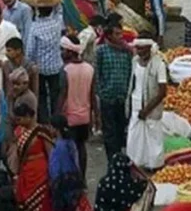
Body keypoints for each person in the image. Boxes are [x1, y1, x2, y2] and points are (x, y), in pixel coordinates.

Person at [10, 101, 54, 211]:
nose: (19, 122)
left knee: (40, 208)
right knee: (27, 209)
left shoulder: (41, 132)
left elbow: (50, 153)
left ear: (29, 116)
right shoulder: (20, 132)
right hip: (26, 173)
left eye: (21, 119)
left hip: (41, 173)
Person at [126, 39, 168, 171]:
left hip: (152, 107)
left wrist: (147, 109)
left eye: (142, 49)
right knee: (135, 136)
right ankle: (136, 164)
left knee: (153, 137)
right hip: (136, 102)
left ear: (149, 48)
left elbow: (162, 92)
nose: (139, 51)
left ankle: (155, 165)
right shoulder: (134, 61)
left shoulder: (158, 64)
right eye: (137, 48)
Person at [58, 37, 96, 177]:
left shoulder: (66, 70)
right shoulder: (90, 69)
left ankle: (72, 179)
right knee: (81, 147)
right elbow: (92, 95)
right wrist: (96, 117)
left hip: (70, 117)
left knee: (70, 149)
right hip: (85, 117)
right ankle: (82, 178)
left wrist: (57, 115)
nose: (61, 53)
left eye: (63, 50)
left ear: (69, 51)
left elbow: (63, 94)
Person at [97, 22, 134, 159]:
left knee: (120, 130)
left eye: (121, 33)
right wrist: (101, 92)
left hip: (122, 97)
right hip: (108, 97)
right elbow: (97, 74)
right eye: (117, 34)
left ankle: (119, 157)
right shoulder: (101, 51)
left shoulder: (126, 51)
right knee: (109, 132)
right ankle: (112, 160)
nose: (121, 37)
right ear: (109, 36)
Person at [28, 5, 65, 123]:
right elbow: (59, 10)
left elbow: (30, 50)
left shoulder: (35, 27)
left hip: (40, 68)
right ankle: (56, 122)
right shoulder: (57, 23)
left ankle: (44, 123)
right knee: (56, 96)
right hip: (55, 66)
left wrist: (32, 63)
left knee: (41, 96)